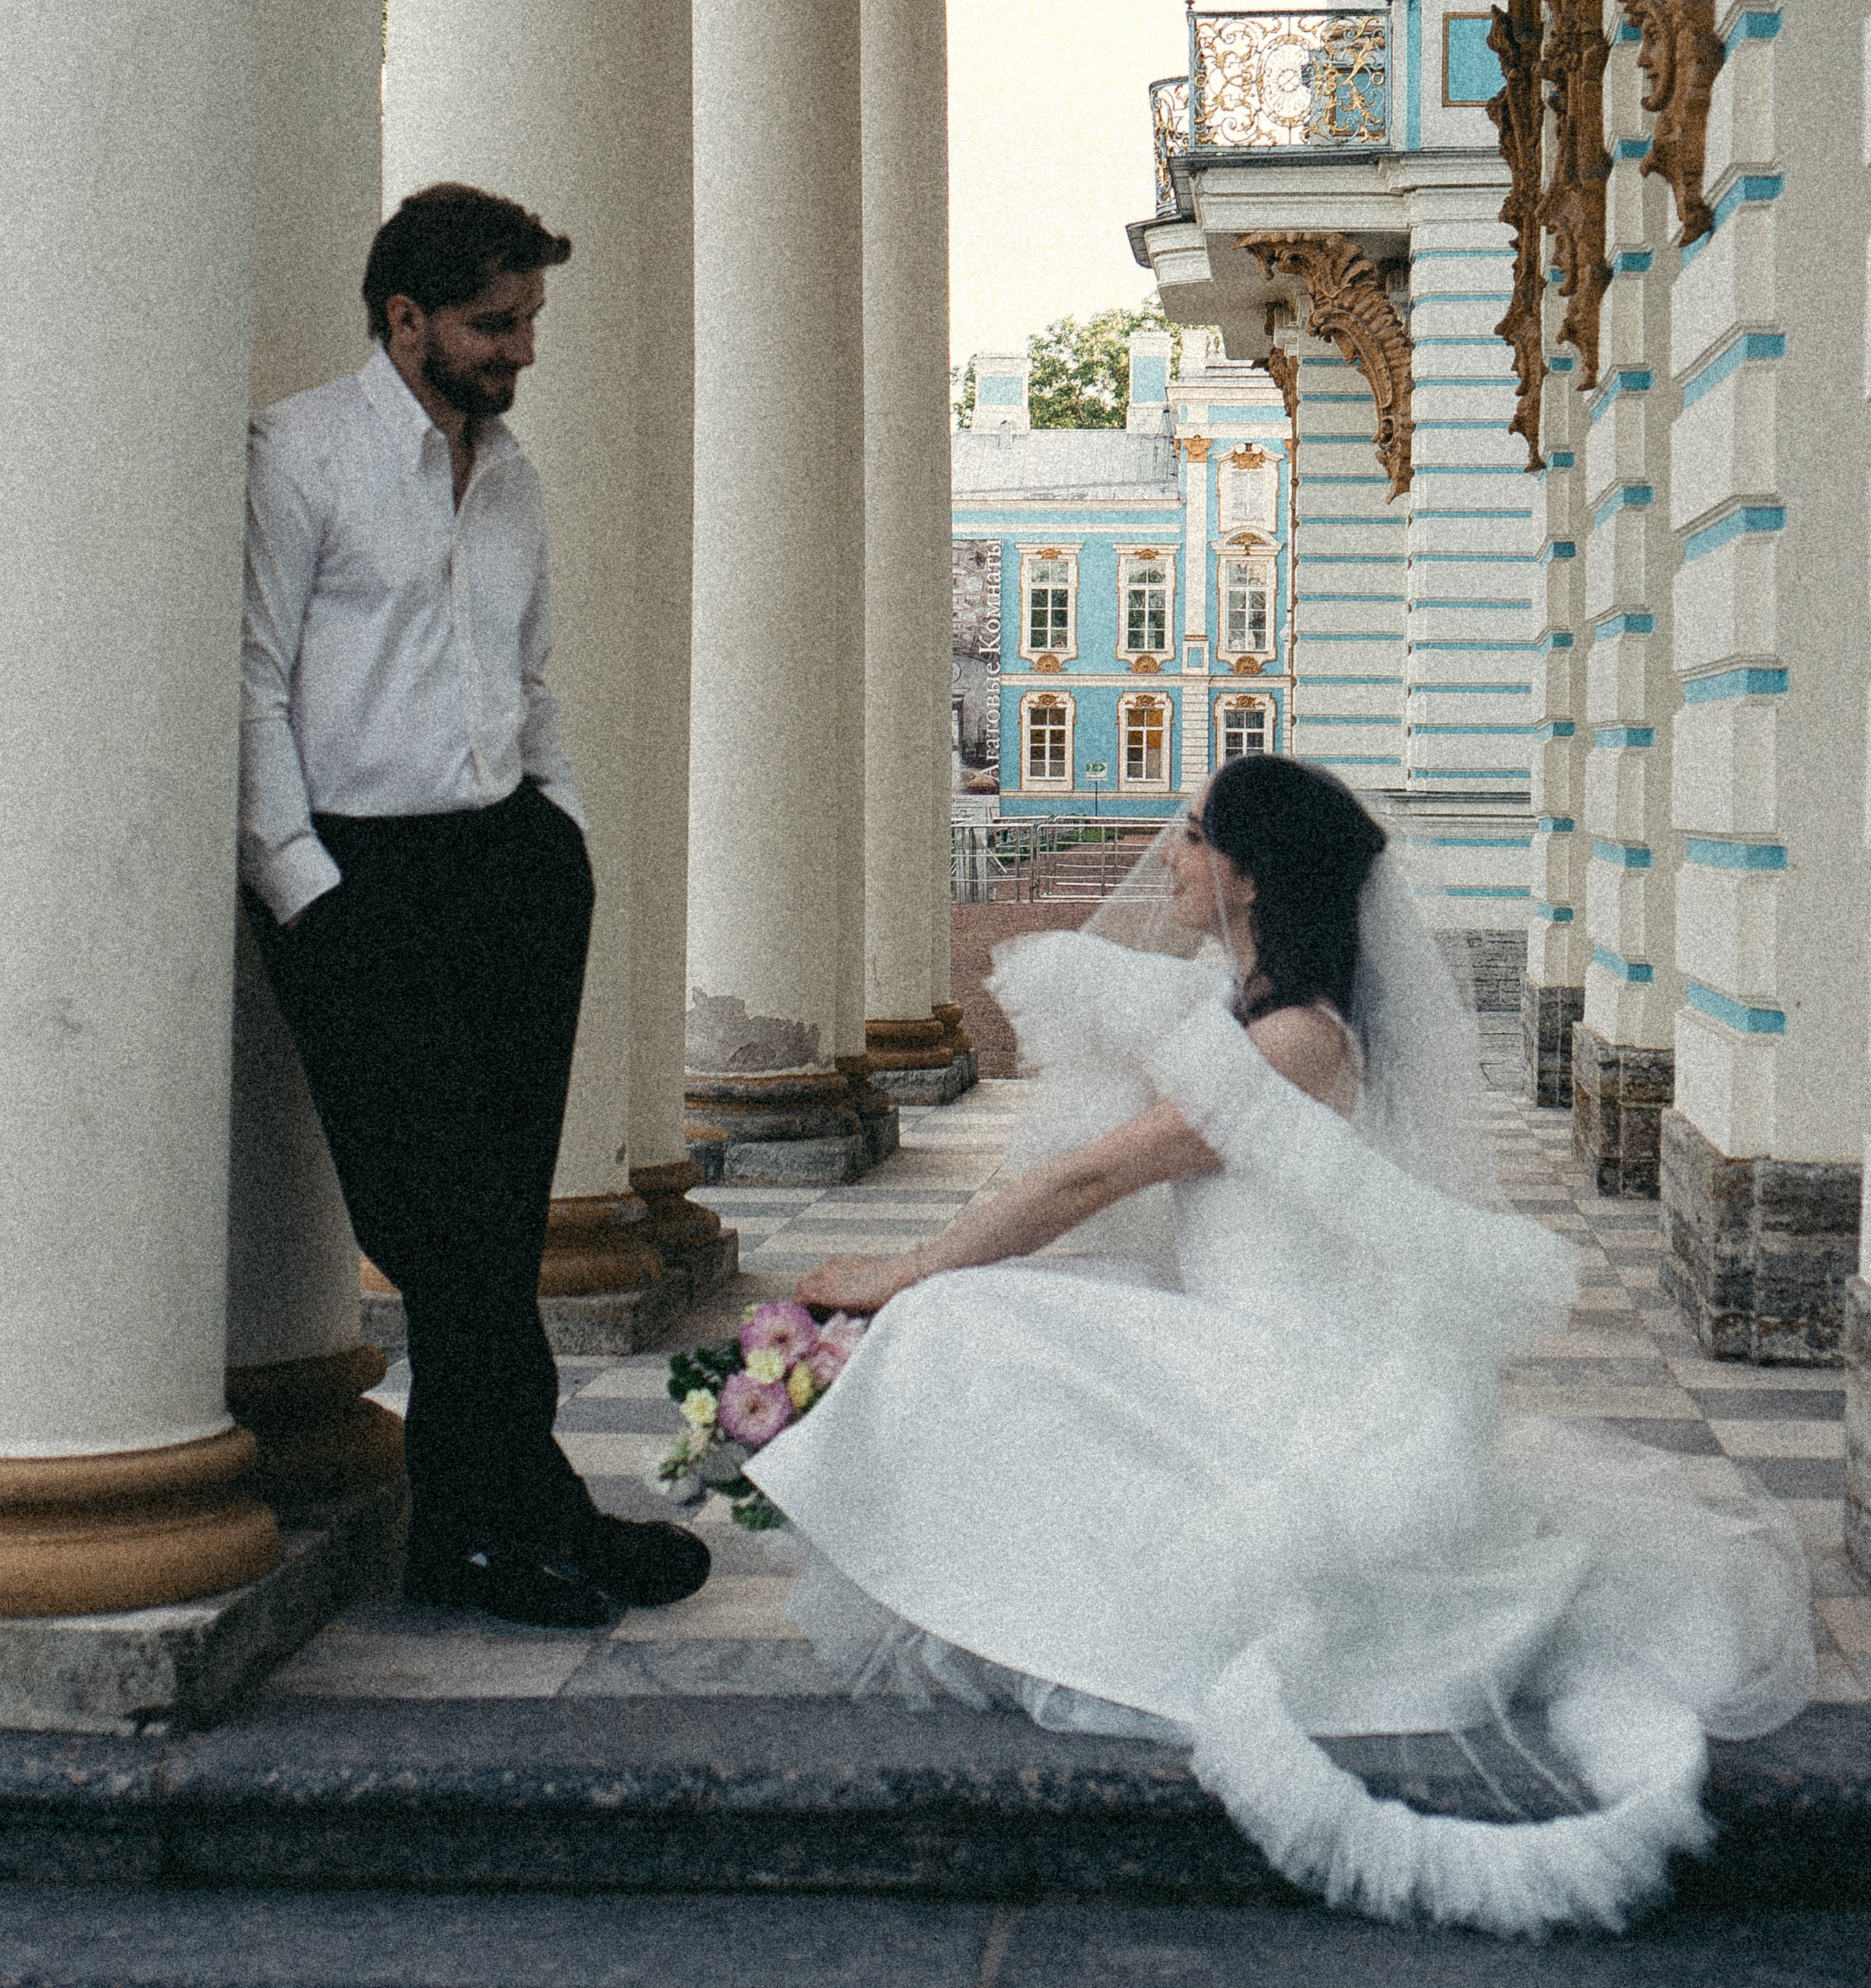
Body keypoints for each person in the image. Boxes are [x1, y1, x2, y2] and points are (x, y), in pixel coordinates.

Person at [745, 755, 1813, 1936]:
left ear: (1251, 876)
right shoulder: (1247, 1011)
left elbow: (1093, 1176)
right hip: (1236, 1330)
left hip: (1287, 1368)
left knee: (959, 1316)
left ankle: (1028, 1591)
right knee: (1020, 1311)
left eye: (1196, 835)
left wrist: (899, 1273)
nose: (1172, 854)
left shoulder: (1296, 1042)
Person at [240, 182, 710, 1629]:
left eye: (527, 322)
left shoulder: (511, 478)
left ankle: (492, 1520)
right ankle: (507, 1514)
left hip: (504, 872)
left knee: (496, 1226)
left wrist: (554, 831)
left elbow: (528, 676)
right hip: (357, 885)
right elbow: (250, 681)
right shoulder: (300, 457)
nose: (520, 351)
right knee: (436, 1223)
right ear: (407, 320)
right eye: (495, 324)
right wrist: (305, 886)